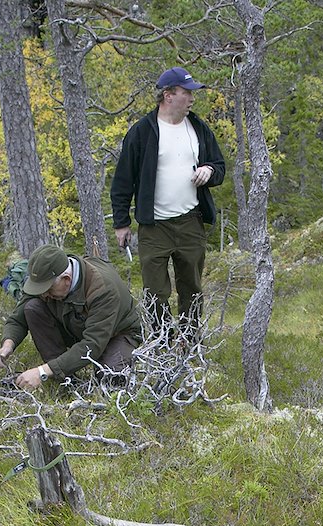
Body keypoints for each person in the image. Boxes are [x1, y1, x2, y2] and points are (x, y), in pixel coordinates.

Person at [110, 66, 226, 333]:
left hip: (191, 222)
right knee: (155, 293)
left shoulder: (198, 128)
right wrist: (121, 223)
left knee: (192, 288)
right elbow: (123, 181)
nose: (192, 98)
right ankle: (162, 344)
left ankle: (190, 341)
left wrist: (209, 170)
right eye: (187, 92)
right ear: (168, 95)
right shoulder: (142, 132)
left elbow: (219, 166)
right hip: (154, 228)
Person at [0, 244, 141, 391]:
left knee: (111, 379)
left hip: (116, 334)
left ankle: (57, 369)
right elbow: (18, 317)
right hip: (76, 326)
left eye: (48, 289)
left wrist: (41, 372)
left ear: (66, 279)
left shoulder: (103, 289)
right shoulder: (45, 277)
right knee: (32, 307)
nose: (44, 294)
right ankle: (64, 378)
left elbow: (92, 344)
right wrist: (7, 346)